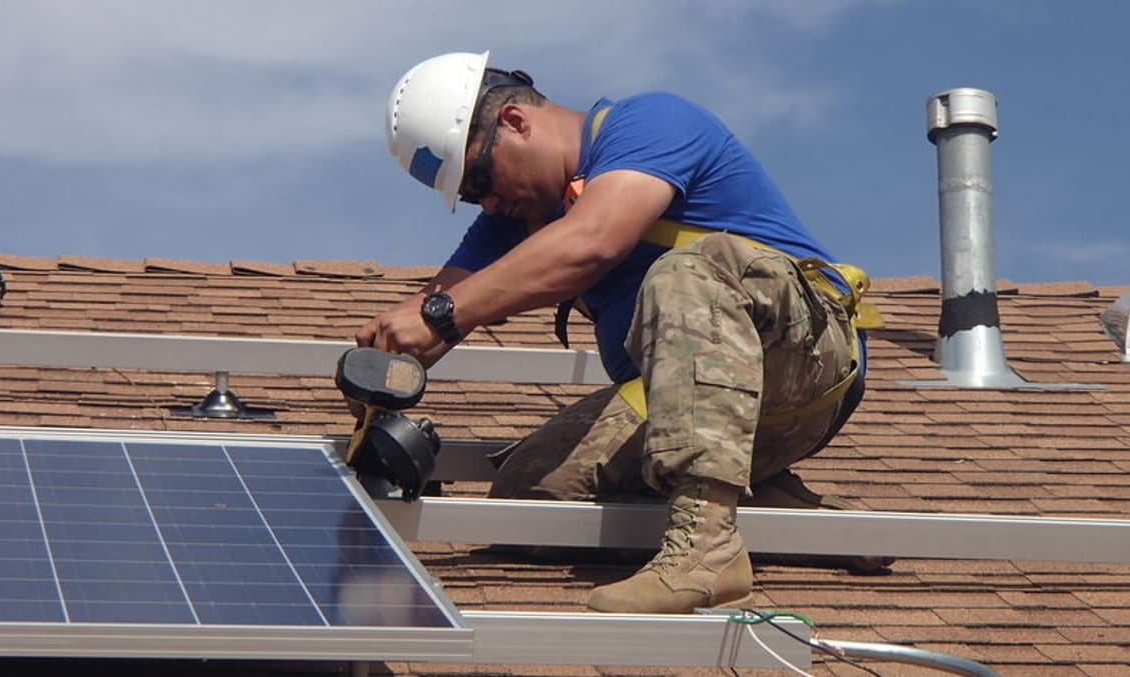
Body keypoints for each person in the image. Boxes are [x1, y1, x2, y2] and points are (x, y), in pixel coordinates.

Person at [358, 51, 885, 615]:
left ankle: (705, 550)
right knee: (531, 500)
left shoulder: (651, 123)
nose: (485, 201)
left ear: (514, 121)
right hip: (691, 400)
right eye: (468, 196)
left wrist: (439, 314)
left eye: (481, 177)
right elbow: (434, 315)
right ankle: (782, 512)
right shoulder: (517, 219)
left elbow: (594, 240)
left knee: (688, 271)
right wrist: (378, 371)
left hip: (803, 360)